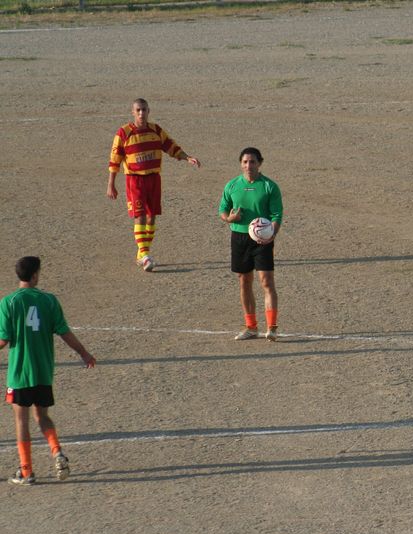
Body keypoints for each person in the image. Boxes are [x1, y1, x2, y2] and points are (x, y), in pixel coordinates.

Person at [1, 257, 96, 486]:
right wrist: (84, 353)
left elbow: (3, 339)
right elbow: (64, 332)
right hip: (43, 371)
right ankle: (57, 452)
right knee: (42, 416)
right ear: (35, 275)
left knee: (21, 420)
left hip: (20, 373)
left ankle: (26, 471)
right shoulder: (49, 300)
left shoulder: (9, 302)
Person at [107, 98, 201, 272]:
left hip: (154, 179)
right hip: (135, 180)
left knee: (152, 217)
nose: (141, 113)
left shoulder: (156, 130)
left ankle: (142, 254)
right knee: (140, 216)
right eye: (138, 110)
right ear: (132, 112)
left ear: (148, 111)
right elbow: (115, 160)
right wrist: (111, 184)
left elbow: (171, 146)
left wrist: (187, 157)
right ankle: (144, 255)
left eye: (144, 109)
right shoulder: (124, 133)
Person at [218, 147, 283, 341]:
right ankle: (251, 327)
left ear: (260, 163)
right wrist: (229, 218)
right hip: (239, 238)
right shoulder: (232, 185)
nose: (248, 166)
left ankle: (272, 327)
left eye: (252, 162)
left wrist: (272, 234)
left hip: (263, 239)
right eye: (245, 162)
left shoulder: (269, 186)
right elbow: (223, 210)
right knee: (244, 281)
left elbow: (276, 214)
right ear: (241, 164)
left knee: (266, 281)